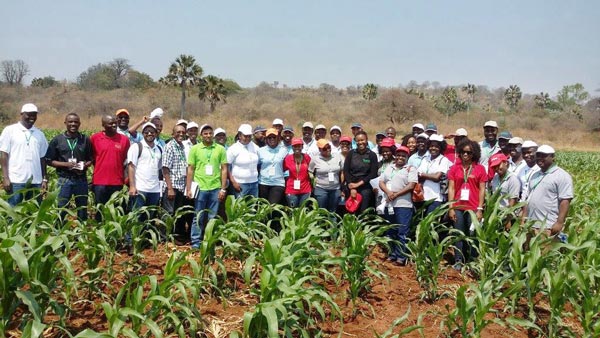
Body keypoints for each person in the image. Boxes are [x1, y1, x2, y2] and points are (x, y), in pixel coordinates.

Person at [186, 124, 228, 249]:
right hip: (200, 187)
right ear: (201, 135)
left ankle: (209, 240)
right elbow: (190, 169)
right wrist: (189, 188)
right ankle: (196, 242)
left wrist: (223, 188)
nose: (208, 135)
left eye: (210, 133)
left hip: (215, 187)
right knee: (198, 216)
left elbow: (224, 169)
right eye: (205, 133)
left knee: (212, 217)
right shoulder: (195, 149)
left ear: (213, 135)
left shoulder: (220, 149)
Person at [45, 113, 93, 221]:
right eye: (70, 122)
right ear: (65, 123)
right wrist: (66, 164)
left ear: (79, 124)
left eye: (76, 122)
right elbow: (49, 160)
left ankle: (82, 232)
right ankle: (59, 232)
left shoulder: (85, 139)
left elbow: (90, 158)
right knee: (62, 208)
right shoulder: (57, 140)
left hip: (81, 180)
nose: (73, 124)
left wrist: (85, 165)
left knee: (82, 209)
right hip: (64, 180)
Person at [447, 139, 487, 270]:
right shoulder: (454, 168)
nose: (465, 155)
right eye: (463, 152)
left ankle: (472, 260)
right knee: (459, 233)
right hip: (458, 206)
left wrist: (480, 208)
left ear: (474, 154)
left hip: (473, 208)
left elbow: (482, 189)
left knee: (472, 234)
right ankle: (459, 260)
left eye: (469, 153)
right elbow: (451, 188)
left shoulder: (480, 169)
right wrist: (451, 207)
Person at [0, 103, 49, 206]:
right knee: (13, 212)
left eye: (34, 115)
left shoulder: (39, 134)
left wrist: (44, 179)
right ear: (21, 114)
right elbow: (4, 155)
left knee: (34, 213)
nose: (32, 117)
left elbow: (43, 158)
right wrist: (5, 178)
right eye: (29, 114)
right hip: (16, 180)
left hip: (36, 181)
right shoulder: (10, 130)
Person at [521, 145, 573, 237]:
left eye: (544, 156)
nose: (540, 158)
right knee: (528, 250)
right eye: (538, 155)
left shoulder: (562, 176)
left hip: (548, 227)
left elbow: (565, 201)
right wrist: (524, 218)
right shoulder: (535, 175)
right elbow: (528, 199)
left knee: (545, 251)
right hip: (530, 225)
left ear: (552, 157)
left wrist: (559, 222)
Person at [379, 146, 417, 265]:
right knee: (391, 230)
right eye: (399, 155)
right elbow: (381, 182)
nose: (400, 157)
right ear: (395, 156)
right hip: (389, 203)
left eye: (403, 156)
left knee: (402, 231)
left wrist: (396, 194)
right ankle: (392, 254)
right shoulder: (389, 167)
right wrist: (389, 193)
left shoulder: (410, 169)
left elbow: (411, 185)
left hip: (403, 205)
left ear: (407, 157)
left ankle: (401, 257)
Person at [127, 122, 163, 248]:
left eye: (152, 132)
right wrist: (132, 186)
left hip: (154, 189)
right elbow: (131, 166)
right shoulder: (137, 147)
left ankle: (142, 241)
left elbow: (159, 169)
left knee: (149, 217)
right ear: (143, 134)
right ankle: (131, 243)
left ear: (156, 133)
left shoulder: (158, 149)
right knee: (136, 217)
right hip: (140, 188)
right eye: (146, 131)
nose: (149, 134)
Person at [90, 115, 130, 217]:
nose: (114, 125)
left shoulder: (124, 140)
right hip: (99, 182)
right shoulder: (95, 138)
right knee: (100, 211)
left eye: (115, 122)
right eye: (110, 123)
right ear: (103, 125)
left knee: (116, 212)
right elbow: (91, 158)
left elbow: (125, 161)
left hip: (117, 182)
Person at [162, 124, 193, 245]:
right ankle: (165, 238)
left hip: (180, 186)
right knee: (168, 213)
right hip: (172, 186)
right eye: (178, 132)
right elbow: (165, 169)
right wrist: (169, 188)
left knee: (176, 213)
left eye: (183, 132)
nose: (181, 134)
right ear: (172, 134)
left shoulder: (180, 146)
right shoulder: (170, 146)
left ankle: (174, 236)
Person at [343, 131, 378, 213]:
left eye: (362, 140)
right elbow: (346, 171)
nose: (360, 142)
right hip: (351, 186)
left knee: (363, 211)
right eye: (358, 140)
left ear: (367, 140)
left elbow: (373, 173)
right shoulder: (351, 154)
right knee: (351, 210)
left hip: (365, 187)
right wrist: (352, 186)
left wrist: (358, 184)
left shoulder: (372, 155)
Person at [417, 134, 452, 215]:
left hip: (436, 197)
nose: (433, 148)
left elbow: (437, 177)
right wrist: (425, 175)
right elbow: (418, 174)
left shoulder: (443, 160)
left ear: (440, 148)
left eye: (436, 146)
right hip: (423, 196)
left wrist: (423, 174)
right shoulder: (425, 159)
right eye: (431, 146)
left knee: (431, 223)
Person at [309, 139, 343, 212]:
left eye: (329, 147)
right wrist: (313, 180)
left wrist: (342, 186)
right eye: (324, 149)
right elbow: (310, 171)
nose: (328, 150)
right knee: (321, 211)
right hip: (321, 189)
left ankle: (332, 223)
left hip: (335, 189)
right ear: (319, 150)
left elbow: (342, 172)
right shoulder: (315, 159)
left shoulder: (337, 157)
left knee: (333, 211)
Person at [227, 124, 259, 198]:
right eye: (245, 136)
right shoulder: (233, 149)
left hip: (254, 183)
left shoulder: (255, 147)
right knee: (240, 207)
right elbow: (226, 167)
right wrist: (233, 182)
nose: (247, 138)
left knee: (252, 207)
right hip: (240, 183)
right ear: (239, 135)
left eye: (249, 136)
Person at [258, 128, 288, 204]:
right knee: (263, 207)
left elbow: (286, 167)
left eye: (274, 137)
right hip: (263, 183)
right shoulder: (260, 151)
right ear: (266, 139)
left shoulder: (284, 151)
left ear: (278, 138)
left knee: (272, 206)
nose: (272, 139)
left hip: (278, 183)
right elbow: (257, 166)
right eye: (269, 137)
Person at [283, 138, 312, 207]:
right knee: (293, 211)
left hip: (305, 189)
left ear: (302, 147)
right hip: (291, 189)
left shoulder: (307, 157)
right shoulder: (288, 158)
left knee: (303, 211)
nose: (297, 148)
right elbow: (283, 169)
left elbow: (312, 170)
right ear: (292, 147)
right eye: (295, 146)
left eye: (299, 146)